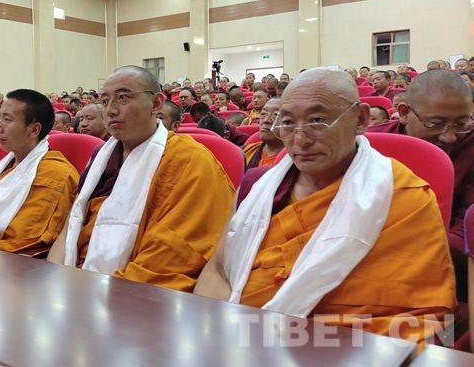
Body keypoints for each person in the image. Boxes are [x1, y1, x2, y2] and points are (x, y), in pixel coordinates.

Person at [195, 68, 456, 343]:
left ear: (361, 119)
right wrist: (219, 337)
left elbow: (423, 318)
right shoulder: (256, 186)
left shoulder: (405, 196)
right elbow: (217, 270)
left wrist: (281, 343)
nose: (300, 139)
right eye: (287, 122)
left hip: (352, 350)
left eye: (318, 121)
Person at [48, 65, 235, 292]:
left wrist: (94, 295)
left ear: (156, 103)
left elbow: (172, 253)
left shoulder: (190, 159)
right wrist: (56, 283)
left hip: (132, 291)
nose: (111, 110)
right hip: (78, 280)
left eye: (123, 98)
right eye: (105, 101)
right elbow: (70, 228)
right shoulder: (100, 159)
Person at [368, 69, 474, 303]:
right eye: (435, 124)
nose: (449, 137)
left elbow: (465, 233)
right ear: (404, 113)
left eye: (461, 123)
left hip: (445, 270)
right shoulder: (370, 145)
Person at [0, 90, 79, 253]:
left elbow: (24, 241)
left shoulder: (55, 174)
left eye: (7, 120)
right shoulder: (2, 166)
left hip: (1, 260)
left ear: (34, 130)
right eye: (0, 118)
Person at [243, 97, 284, 169]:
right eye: (263, 114)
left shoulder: (296, 160)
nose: (266, 120)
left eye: (276, 115)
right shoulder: (245, 152)